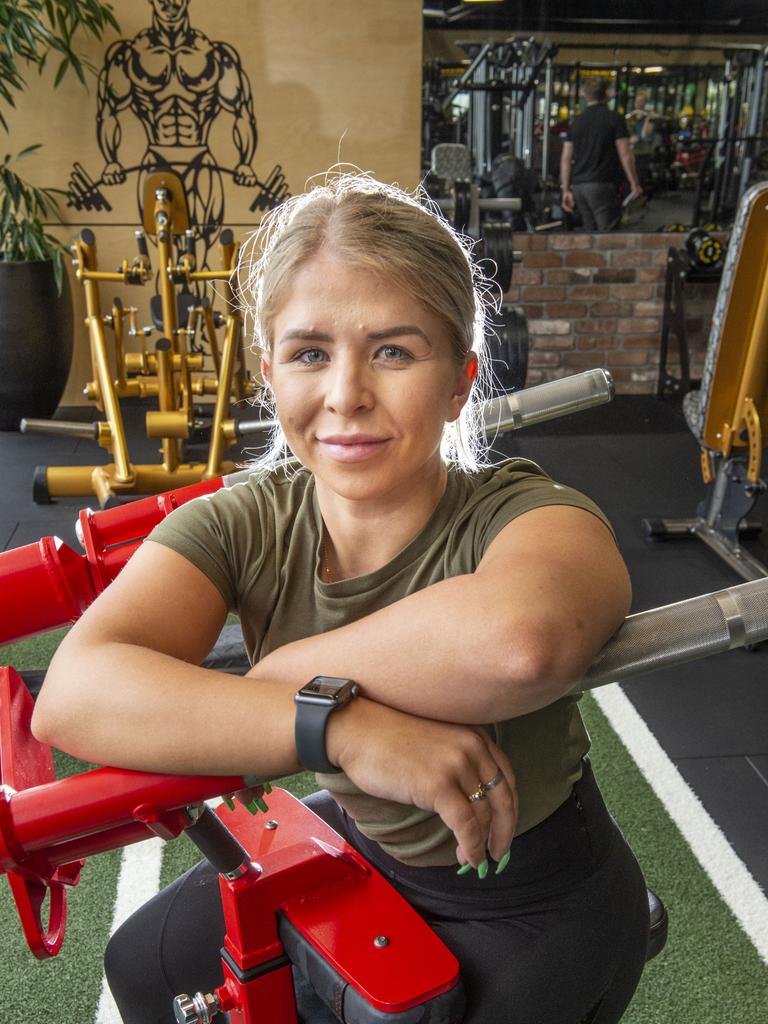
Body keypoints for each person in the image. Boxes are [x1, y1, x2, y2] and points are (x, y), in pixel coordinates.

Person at [32, 171, 650, 1024]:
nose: (346, 394)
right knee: (144, 967)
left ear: (461, 380)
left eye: (394, 351)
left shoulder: (522, 512)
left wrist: (284, 676)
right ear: (269, 372)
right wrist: (342, 727)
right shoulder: (245, 519)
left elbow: (524, 643)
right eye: (310, 352)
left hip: (535, 901)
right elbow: (72, 694)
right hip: (368, 844)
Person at [560, 77, 643, 231]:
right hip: (602, 184)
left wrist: (565, 189)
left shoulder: (576, 122)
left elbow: (566, 158)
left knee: (589, 234)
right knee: (608, 235)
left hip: (579, 186)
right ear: (607, 94)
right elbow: (625, 153)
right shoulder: (614, 119)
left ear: (585, 95)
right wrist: (634, 183)